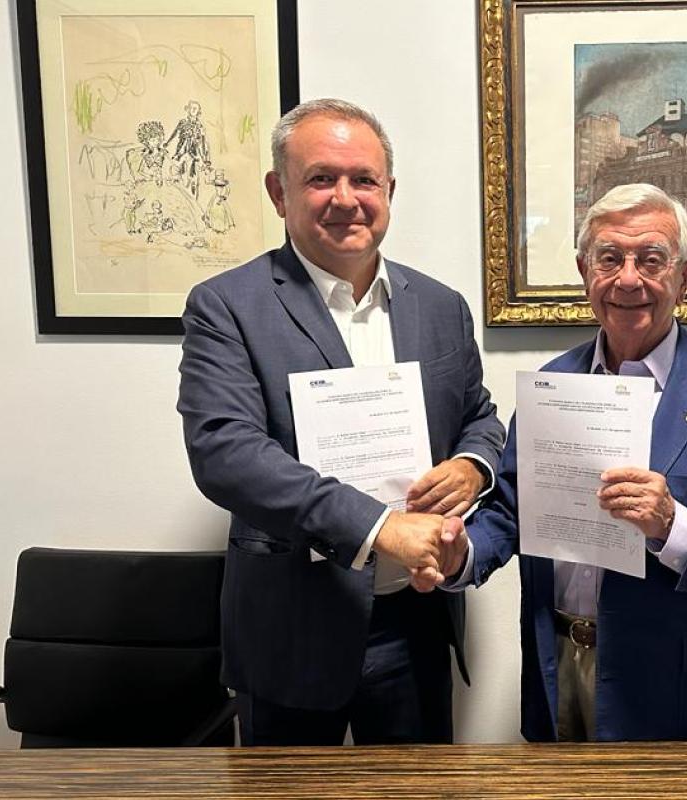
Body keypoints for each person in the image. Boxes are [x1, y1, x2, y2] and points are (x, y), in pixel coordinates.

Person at [178, 98, 505, 746]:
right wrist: (382, 527)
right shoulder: (226, 306)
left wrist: (473, 467)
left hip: (415, 622)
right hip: (291, 627)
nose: (345, 198)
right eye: (321, 178)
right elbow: (225, 452)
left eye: (363, 180)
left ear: (389, 190)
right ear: (279, 191)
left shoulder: (442, 306)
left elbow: (480, 417)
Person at [454, 183, 687, 742]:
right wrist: (461, 552)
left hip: (673, 687)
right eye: (610, 258)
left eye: (651, 259)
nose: (629, 279)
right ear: (585, 272)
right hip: (556, 663)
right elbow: (511, 511)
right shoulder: (551, 388)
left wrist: (672, 526)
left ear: (683, 277)